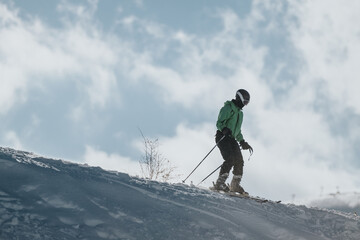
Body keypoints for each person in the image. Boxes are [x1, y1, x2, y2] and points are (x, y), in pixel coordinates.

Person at [212, 89, 253, 194]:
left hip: (232, 139)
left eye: (246, 103)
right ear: (239, 98)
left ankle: (235, 185)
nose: (244, 105)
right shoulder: (228, 108)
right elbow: (219, 123)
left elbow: (238, 131)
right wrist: (224, 129)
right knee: (230, 159)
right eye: (244, 102)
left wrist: (242, 141)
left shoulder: (240, 114)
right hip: (222, 136)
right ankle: (220, 183)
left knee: (239, 161)